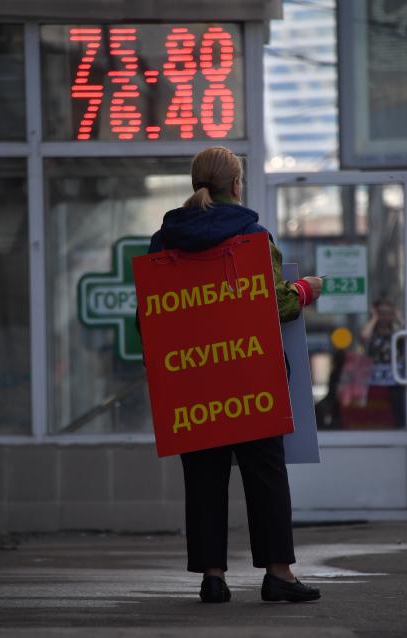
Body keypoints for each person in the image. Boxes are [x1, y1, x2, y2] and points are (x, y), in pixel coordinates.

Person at [147, 146, 323, 603]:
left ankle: (212, 576)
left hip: (191, 378)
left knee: (203, 478)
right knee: (265, 473)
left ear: (196, 184)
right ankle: (278, 574)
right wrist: (306, 289)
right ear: (237, 185)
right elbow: (275, 305)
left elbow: (151, 314)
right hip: (250, 374)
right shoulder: (252, 236)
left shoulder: (163, 241)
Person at [360, 298, 405, 428]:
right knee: (374, 407)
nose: (385, 316)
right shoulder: (372, 331)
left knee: (397, 406)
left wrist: (398, 317)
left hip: (395, 378)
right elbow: (363, 337)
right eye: (381, 313)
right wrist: (374, 319)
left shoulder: (397, 331)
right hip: (374, 377)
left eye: (388, 313)